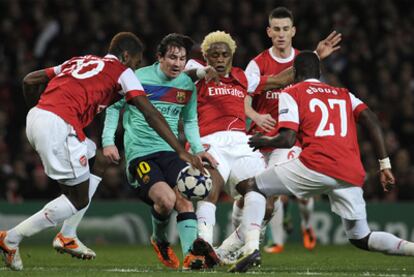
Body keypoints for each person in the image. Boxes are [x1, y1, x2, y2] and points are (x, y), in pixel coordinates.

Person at [0, 32, 204, 271]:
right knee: (76, 199)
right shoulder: (123, 72)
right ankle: (11, 238)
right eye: (136, 62)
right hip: (59, 124)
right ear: (126, 56)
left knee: (97, 160)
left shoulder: (80, 60)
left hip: (38, 117)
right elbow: (151, 113)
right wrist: (180, 150)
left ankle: (68, 235)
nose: (136, 67)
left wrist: (39, 113)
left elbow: (30, 79)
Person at [228, 51, 414, 273]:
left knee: (254, 186)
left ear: (294, 73)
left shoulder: (292, 91)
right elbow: (372, 120)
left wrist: (263, 140)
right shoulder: (343, 94)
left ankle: (250, 248)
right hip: (349, 171)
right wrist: (384, 165)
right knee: (361, 236)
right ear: (320, 72)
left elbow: (287, 139)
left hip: (316, 165)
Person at [183, 30, 322, 268]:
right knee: (210, 186)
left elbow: (281, 79)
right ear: (206, 56)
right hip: (210, 141)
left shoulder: (243, 77)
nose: (219, 59)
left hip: (241, 143)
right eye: (214, 55)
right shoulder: (196, 72)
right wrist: (200, 71)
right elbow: (180, 74)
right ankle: (202, 243)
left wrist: (316, 56)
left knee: (267, 200)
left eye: (224, 55)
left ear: (231, 57)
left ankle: (235, 250)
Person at [101, 33, 216, 270]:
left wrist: (198, 150)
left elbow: (191, 121)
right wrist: (108, 141)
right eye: (172, 57)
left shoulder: (186, 85)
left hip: (172, 152)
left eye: (182, 59)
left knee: (184, 199)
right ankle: (160, 240)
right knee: (166, 200)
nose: (177, 63)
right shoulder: (137, 78)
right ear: (159, 57)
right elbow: (113, 108)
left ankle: (191, 257)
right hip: (140, 153)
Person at [243, 7, 342, 253]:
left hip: (291, 138)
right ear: (269, 31)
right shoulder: (256, 64)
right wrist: (255, 114)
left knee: (279, 191)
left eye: (285, 29)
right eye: (276, 29)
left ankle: (296, 230)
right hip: (260, 137)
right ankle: (259, 239)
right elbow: (242, 97)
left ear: (293, 31)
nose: (281, 34)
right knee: (254, 194)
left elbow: (314, 97)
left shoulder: (305, 62)